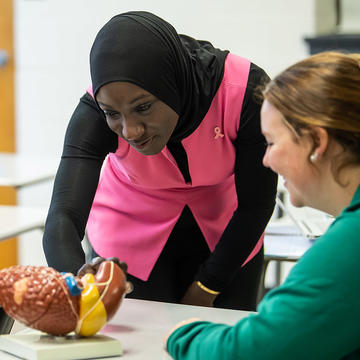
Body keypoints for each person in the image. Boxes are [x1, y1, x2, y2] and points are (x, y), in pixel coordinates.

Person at [42, 11, 277, 311]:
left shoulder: (243, 92)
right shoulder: (94, 112)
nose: (131, 130)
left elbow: (256, 205)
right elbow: (63, 215)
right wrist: (76, 279)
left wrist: (207, 286)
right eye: (113, 114)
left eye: (143, 107)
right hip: (129, 232)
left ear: (172, 84)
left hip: (229, 230)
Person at [165, 51, 360, 359]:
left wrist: (181, 333)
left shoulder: (350, 246)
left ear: (317, 143)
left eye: (271, 142)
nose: (265, 159)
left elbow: (253, 352)